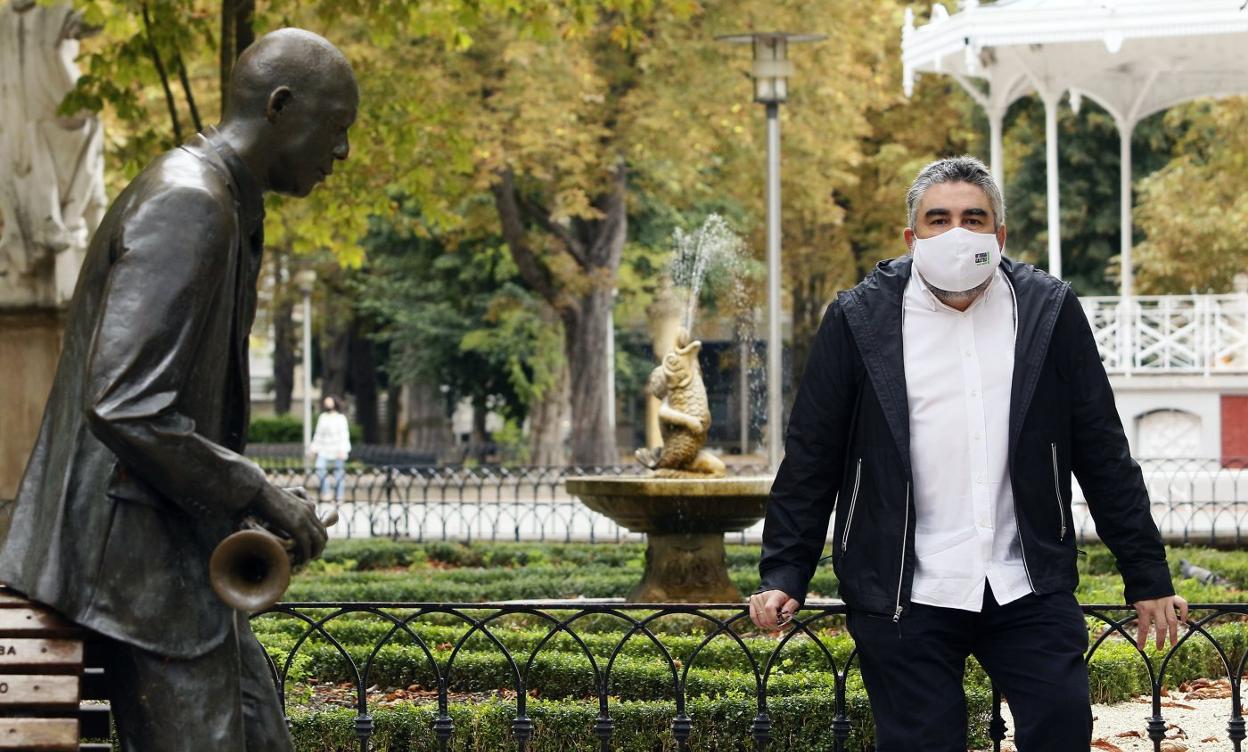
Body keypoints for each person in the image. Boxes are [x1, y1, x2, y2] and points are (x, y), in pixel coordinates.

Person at [748, 156, 1188, 751]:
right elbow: (811, 456)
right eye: (939, 219)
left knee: (1062, 729)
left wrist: (1147, 574)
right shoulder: (858, 318)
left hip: (1024, 582)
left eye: (973, 218)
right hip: (906, 593)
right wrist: (784, 570)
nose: (957, 232)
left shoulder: (1048, 310)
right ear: (912, 236)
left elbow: (1102, 449)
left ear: (999, 235)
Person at [0, 28, 357, 751]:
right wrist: (256, 491)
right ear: (282, 107)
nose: (342, 153)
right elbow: (125, 404)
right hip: (131, 569)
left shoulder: (215, 197)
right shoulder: (190, 203)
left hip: (165, 561)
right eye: (337, 128)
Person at [310, 395, 351, 501]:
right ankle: (326, 492)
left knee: (339, 474)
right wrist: (314, 448)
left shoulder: (341, 418)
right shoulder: (323, 417)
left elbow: (344, 435)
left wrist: (343, 450)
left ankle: (339, 496)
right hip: (324, 449)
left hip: (338, 450)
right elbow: (318, 434)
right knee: (319, 469)